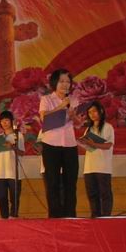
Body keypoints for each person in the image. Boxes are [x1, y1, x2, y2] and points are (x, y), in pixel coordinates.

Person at [39, 68, 79, 218]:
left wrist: (74, 116)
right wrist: (61, 106)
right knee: (53, 182)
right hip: (51, 145)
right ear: (55, 82)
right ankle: (55, 217)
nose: (65, 84)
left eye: (68, 81)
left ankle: (70, 216)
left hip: (70, 144)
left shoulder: (73, 100)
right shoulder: (46, 99)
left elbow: (77, 122)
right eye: (62, 81)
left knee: (71, 183)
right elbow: (44, 118)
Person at [79, 100, 115, 217]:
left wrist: (94, 144)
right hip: (89, 167)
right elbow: (88, 147)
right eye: (89, 112)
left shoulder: (108, 127)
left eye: (94, 111)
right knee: (92, 194)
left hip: (103, 167)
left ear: (101, 111)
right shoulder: (88, 129)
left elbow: (108, 145)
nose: (92, 114)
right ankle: (95, 216)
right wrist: (83, 143)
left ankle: (106, 216)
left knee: (105, 193)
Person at [0, 111, 25, 219]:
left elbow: (22, 153)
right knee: (1, 197)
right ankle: (4, 217)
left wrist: (12, 147)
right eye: (2, 121)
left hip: (13, 171)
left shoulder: (18, 136)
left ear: (11, 121)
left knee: (14, 197)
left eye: (6, 120)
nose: (4, 123)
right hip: (0, 171)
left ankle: (13, 216)